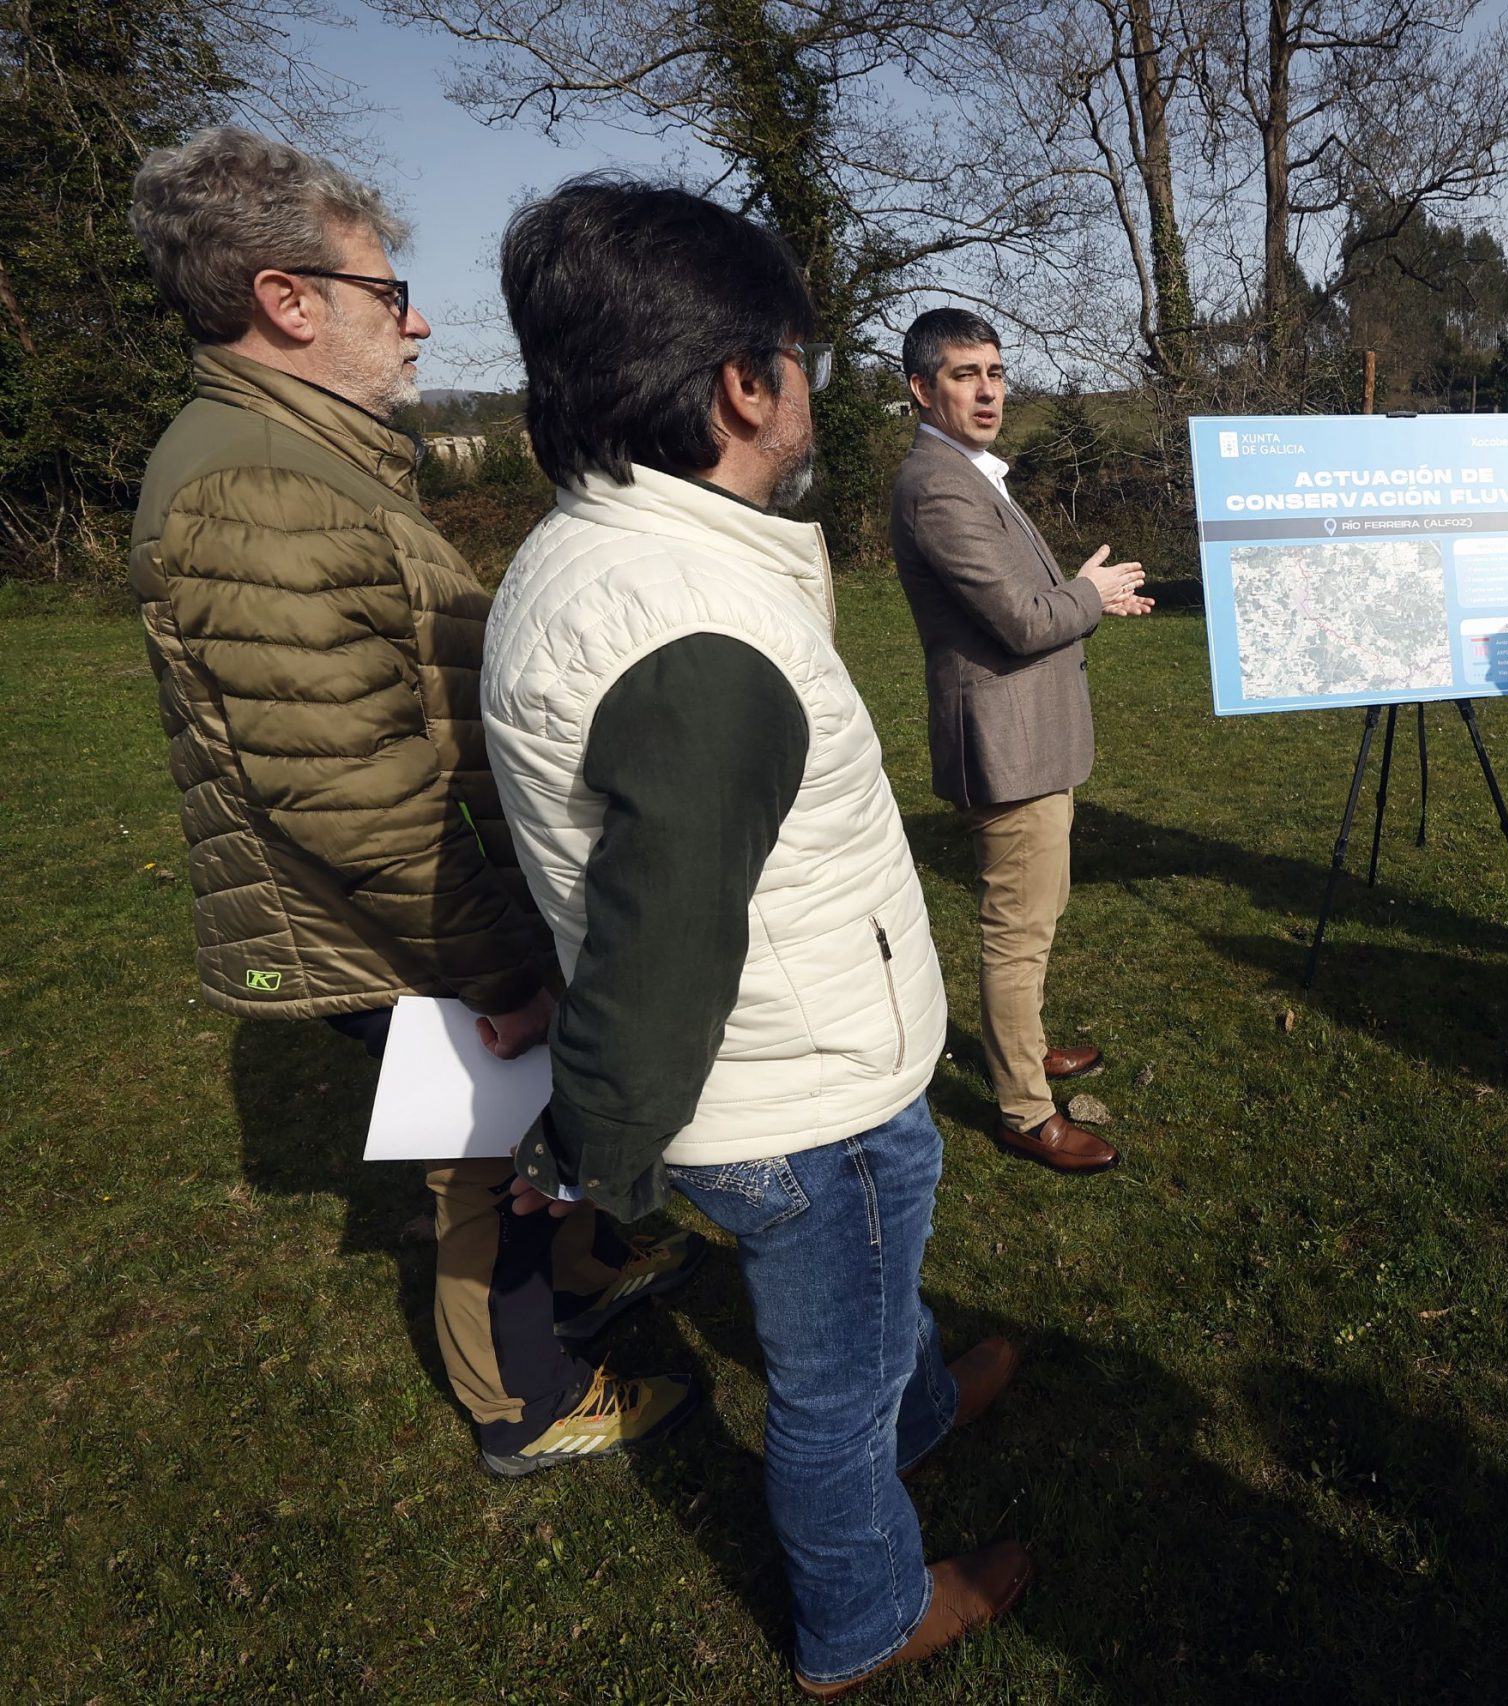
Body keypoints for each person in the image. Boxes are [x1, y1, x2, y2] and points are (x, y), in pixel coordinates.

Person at [483, 178, 1030, 1696]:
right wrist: (578, 1149)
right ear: (744, 383)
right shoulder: (688, 624)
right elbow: (665, 940)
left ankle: (920, 1405)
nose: (813, 385)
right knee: (828, 1389)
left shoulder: (620, 550)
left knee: (879, 1297)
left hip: (818, 1052)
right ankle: (864, 1614)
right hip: (801, 1097)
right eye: (802, 355)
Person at [124, 127, 701, 1479]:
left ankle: (574, 1270)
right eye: (390, 291)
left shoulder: (291, 458)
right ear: (289, 300)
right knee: (479, 1164)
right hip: (392, 921)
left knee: (512, 1143)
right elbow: (350, 789)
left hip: (413, 907)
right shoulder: (258, 485)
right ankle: (528, 1397)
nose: (418, 319)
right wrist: (504, 956)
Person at [890, 309, 1153, 1172]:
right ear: (922, 389)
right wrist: (1090, 592)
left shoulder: (969, 472)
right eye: (965, 375)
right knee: (1017, 930)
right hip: (1005, 746)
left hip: (1027, 734)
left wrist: (1087, 596)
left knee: (1036, 915)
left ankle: (1022, 1047)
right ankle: (1024, 1108)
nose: (988, 390)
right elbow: (1020, 617)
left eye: (996, 372)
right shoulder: (937, 484)